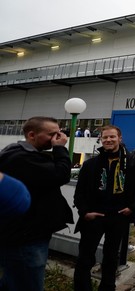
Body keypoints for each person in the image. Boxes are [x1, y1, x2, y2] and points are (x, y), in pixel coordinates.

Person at [0, 117, 73, 291]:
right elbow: (61, 174)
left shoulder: (24, 154)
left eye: (59, 132)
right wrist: (60, 149)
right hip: (26, 238)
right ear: (32, 135)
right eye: (52, 134)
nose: (58, 137)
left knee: (13, 281)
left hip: (27, 234)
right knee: (27, 283)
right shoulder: (21, 157)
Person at [73, 125, 135, 291]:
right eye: (105, 138)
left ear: (120, 138)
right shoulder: (90, 164)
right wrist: (85, 212)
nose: (108, 140)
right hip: (94, 217)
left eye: (112, 137)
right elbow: (79, 192)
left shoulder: (133, 161)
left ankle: (107, 288)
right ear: (101, 140)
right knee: (85, 258)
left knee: (111, 258)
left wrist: (131, 208)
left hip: (118, 217)